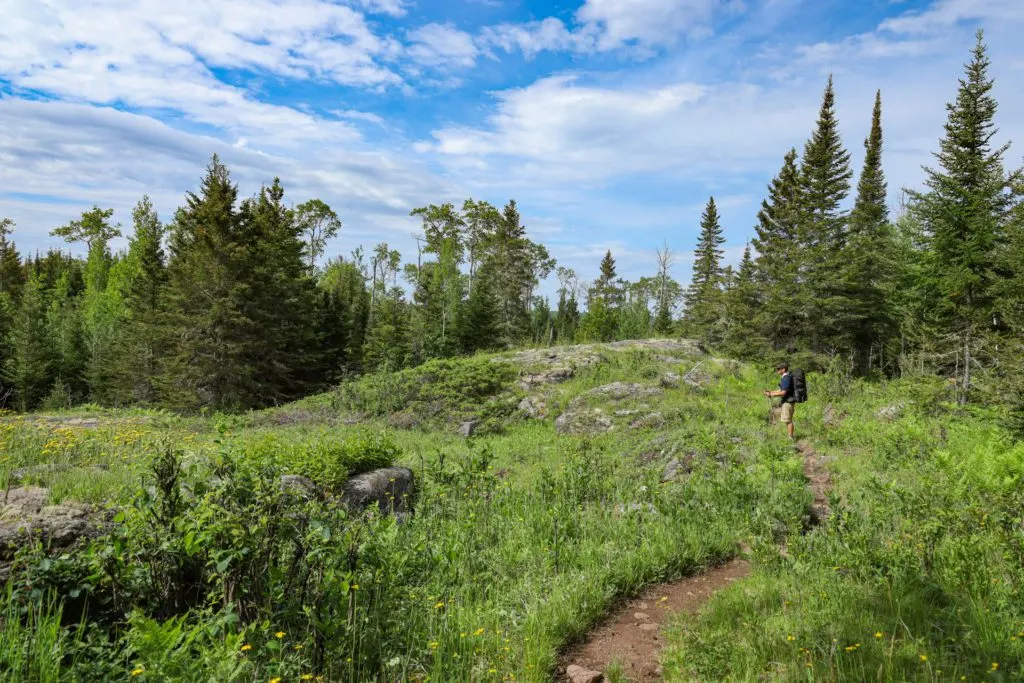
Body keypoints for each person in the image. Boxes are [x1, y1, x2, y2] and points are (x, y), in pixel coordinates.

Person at [764, 362, 796, 439]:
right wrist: (771, 392)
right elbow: (781, 389)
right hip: (788, 401)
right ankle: (790, 436)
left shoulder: (786, 378)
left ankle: (790, 438)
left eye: (779, 369)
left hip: (787, 402)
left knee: (788, 420)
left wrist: (771, 395)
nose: (777, 370)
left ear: (783, 369)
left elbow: (783, 393)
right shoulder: (786, 378)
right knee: (787, 419)